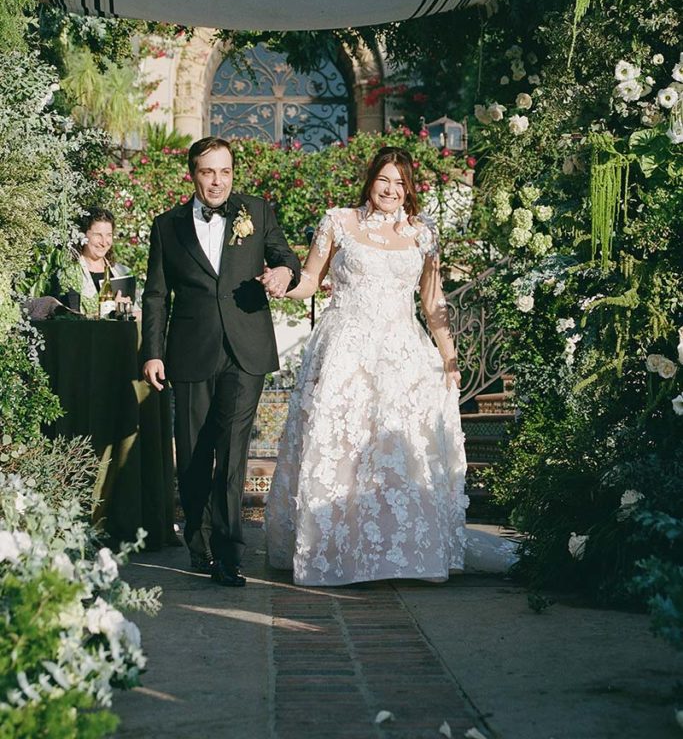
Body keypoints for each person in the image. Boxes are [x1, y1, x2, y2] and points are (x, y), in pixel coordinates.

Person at [263, 146, 518, 586]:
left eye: (401, 182)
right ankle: (339, 548)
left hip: (403, 353)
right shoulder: (338, 222)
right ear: (371, 180)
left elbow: (432, 300)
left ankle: (397, 553)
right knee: (344, 450)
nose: (391, 189)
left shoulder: (423, 233)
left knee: (398, 450)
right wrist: (282, 284)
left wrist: (449, 357)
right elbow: (310, 280)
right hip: (345, 350)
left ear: (409, 189)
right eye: (385, 179)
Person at [141, 136, 301, 587]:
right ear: (192, 173)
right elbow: (156, 296)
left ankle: (230, 554)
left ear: (234, 172)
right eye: (208, 172)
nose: (218, 181)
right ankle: (199, 541)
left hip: (246, 348)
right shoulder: (166, 226)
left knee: (232, 454)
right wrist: (152, 351)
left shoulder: (258, 211)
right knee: (193, 455)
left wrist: (284, 273)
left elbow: (286, 257)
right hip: (190, 351)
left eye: (225, 171)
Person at [54, 207, 132, 316]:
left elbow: (138, 312)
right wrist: (112, 310)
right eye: (98, 235)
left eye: (108, 235)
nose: (104, 242)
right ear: (83, 235)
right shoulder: (70, 274)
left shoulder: (121, 272)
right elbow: (70, 320)